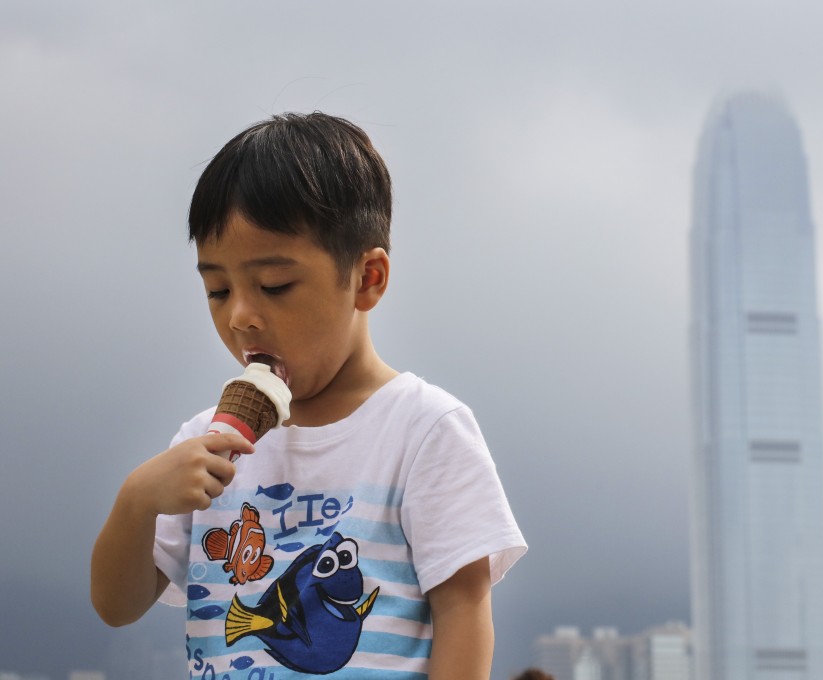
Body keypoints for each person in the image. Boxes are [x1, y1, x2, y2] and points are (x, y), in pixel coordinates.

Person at [91, 112, 527, 679]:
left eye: (274, 285)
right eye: (218, 290)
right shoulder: (203, 445)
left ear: (367, 279)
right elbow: (117, 606)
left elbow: (464, 608)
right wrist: (136, 501)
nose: (241, 316)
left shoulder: (424, 429)